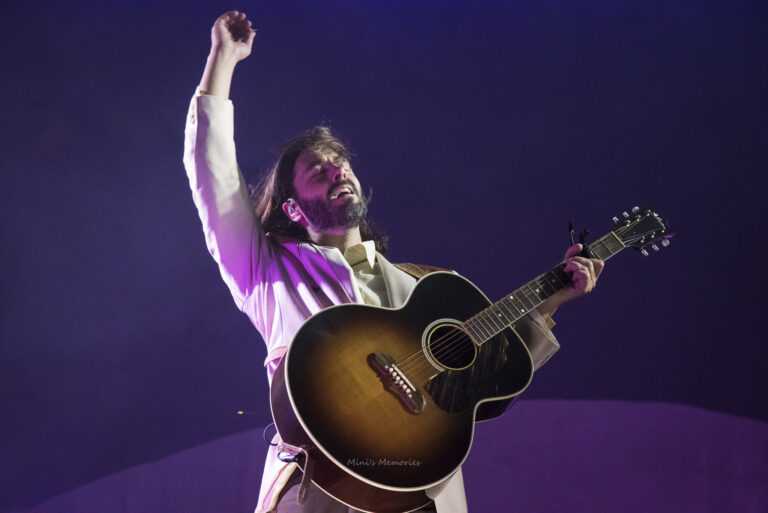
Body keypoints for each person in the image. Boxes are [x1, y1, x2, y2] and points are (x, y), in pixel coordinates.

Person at [183, 11, 604, 513]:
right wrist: (223, 59)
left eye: (339, 160)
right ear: (292, 208)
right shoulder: (268, 272)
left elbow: (482, 377)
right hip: (319, 486)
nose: (335, 168)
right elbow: (214, 177)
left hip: (420, 491)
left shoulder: (422, 286)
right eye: (317, 169)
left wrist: (552, 300)